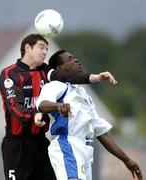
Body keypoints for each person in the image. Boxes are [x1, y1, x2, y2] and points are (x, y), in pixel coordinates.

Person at [0, 34, 117, 180]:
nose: (44, 52)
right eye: (41, 47)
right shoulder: (9, 73)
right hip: (17, 145)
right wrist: (33, 115)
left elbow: (68, 76)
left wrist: (96, 77)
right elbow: (14, 107)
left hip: (41, 142)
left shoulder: (45, 71)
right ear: (27, 48)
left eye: (46, 49)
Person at [36, 50, 143, 180]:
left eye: (75, 58)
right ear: (60, 68)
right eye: (70, 59)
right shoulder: (56, 86)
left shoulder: (84, 95)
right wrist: (57, 106)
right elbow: (41, 105)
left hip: (86, 150)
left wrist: (127, 160)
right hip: (67, 145)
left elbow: (101, 132)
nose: (76, 60)